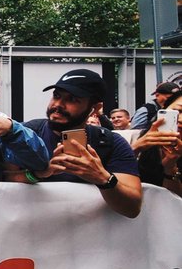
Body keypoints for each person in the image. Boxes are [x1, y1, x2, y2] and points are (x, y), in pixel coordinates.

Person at [23, 68, 142, 218]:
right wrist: (39, 173)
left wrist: (102, 178)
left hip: (91, 231)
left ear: (95, 108)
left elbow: (132, 208)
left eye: (72, 99)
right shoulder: (26, 134)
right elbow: (4, 179)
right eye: (56, 95)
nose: (58, 105)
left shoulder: (111, 142)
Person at [133, 93, 182, 199]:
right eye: (178, 111)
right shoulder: (141, 139)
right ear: (164, 109)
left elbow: (175, 201)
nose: (180, 119)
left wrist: (170, 168)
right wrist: (135, 148)